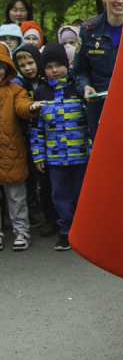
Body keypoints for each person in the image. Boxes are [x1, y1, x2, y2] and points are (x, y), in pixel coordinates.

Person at [31, 43, 92, 251]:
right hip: (55, 159)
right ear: (43, 69)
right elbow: (37, 129)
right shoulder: (41, 92)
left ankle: (84, 231)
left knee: (83, 194)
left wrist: (93, 150)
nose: (54, 70)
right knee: (60, 195)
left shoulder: (77, 88)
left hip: (82, 156)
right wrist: (38, 156)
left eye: (58, 65)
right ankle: (66, 230)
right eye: (49, 66)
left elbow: (89, 124)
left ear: (67, 65)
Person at [73, 0, 123, 139]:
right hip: (99, 107)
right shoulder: (88, 30)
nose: (120, 0)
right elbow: (79, 71)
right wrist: (85, 87)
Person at [0, 43, 43, 251]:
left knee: (16, 196)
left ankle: (21, 230)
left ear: (7, 68)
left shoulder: (15, 90)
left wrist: (31, 107)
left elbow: (22, 106)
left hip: (11, 151)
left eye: (1, 66)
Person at [12, 44, 58, 237]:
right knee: (35, 177)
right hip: (29, 137)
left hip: (53, 137)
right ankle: (42, 215)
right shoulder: (18, 86)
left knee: (53, 179)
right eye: (22, 65)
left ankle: (59, 216)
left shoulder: (49, 82)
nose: (28, 68)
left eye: (31, 62)